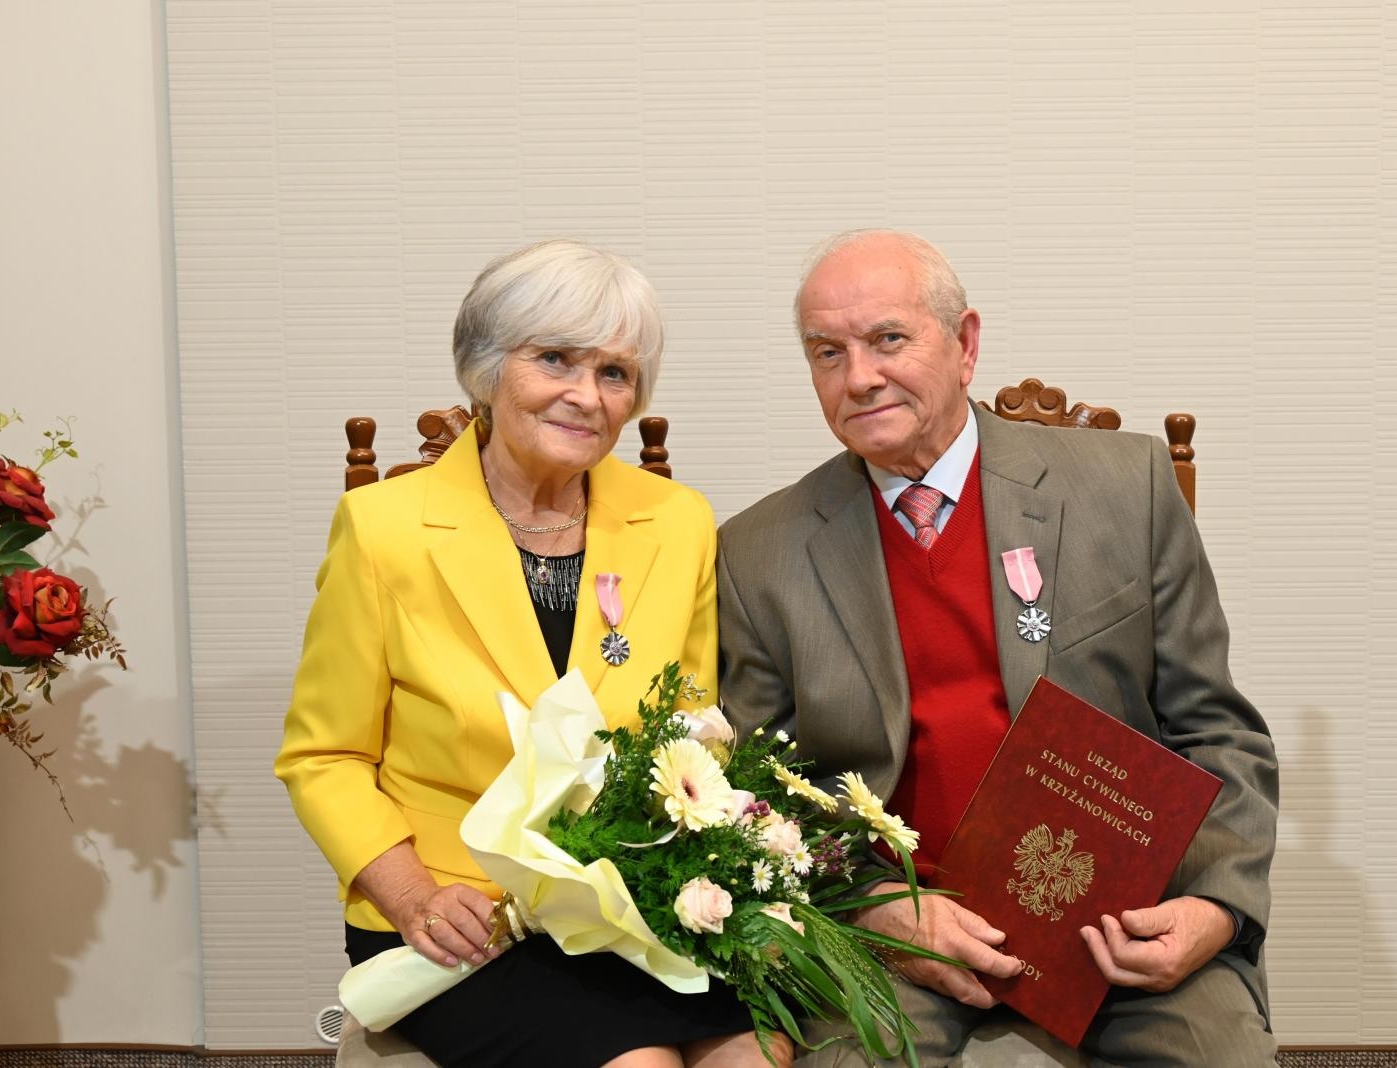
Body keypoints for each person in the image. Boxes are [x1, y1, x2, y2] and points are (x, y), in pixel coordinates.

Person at [717, 229, 1279, 1066]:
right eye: (827, 353)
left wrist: (1218, 910)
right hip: (903, 942)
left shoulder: (1128, 491)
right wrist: (875, 908)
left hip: (1119, 925)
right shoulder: (760, 552)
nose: (858, 377)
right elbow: (759, 802)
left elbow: (1218, 734)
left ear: (966, 344)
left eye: (888, 340)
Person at [277, 240, 789, 1068]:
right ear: (486, 371)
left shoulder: (678, 519)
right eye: (554, 359)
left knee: (756, 1056)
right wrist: (412, 897)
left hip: (631, 906)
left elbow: (693, 734)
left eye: (615, 373)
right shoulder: (385, 530)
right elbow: (323, 755)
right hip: (468, 917)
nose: (585, 396)